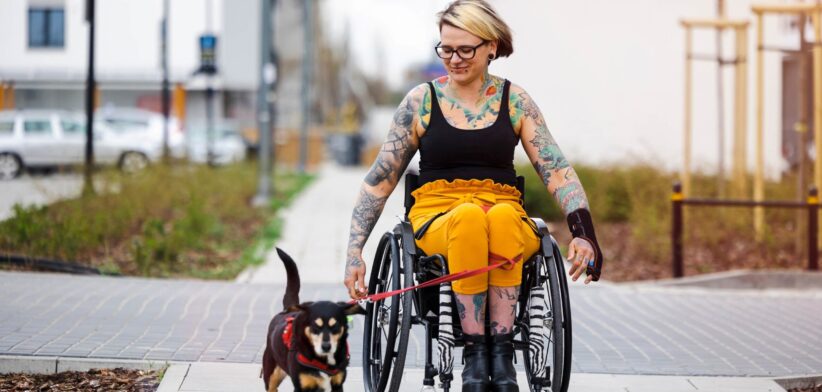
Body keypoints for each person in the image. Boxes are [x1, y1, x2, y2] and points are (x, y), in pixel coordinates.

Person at [344, 1, 603, 390]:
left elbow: (556, 170)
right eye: (446, 49)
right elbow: (380, 180)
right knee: (468, 216)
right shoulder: (420, 102)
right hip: (437, 216)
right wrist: (354, 253)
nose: (454, 59)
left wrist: (584, 232)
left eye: (465, 49)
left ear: (491, 47)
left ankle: (501, 355)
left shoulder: (515, 101)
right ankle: (474, 353)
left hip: (502, 210)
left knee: (496, 218)